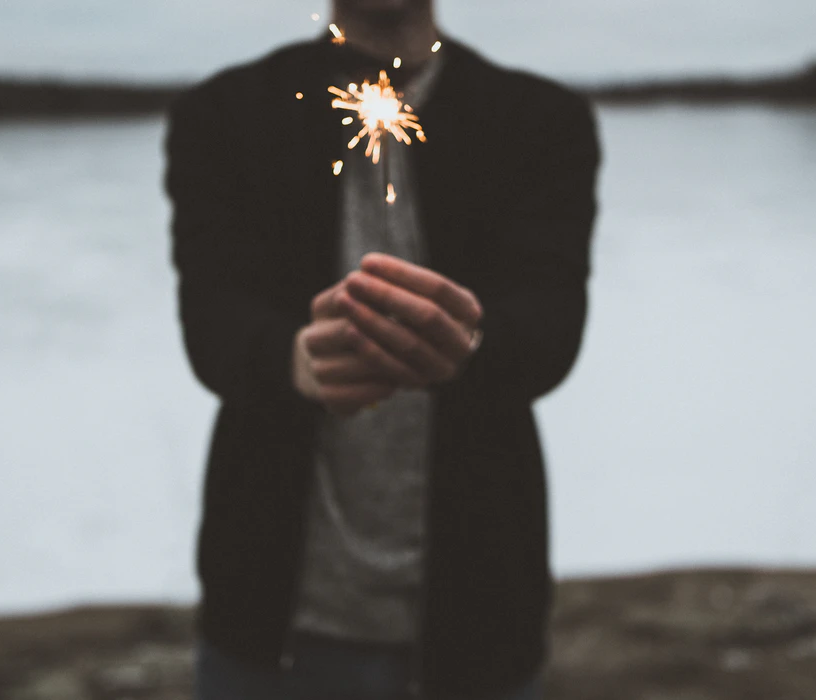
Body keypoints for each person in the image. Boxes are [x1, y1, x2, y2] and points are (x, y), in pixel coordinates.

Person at [162, 0, 601, 698]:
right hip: (267, 621)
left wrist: (470, 345)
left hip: (482, 612)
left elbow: (549, 328)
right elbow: (214, 323)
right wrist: (293, 360)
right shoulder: (224, 115)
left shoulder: (540, 121)